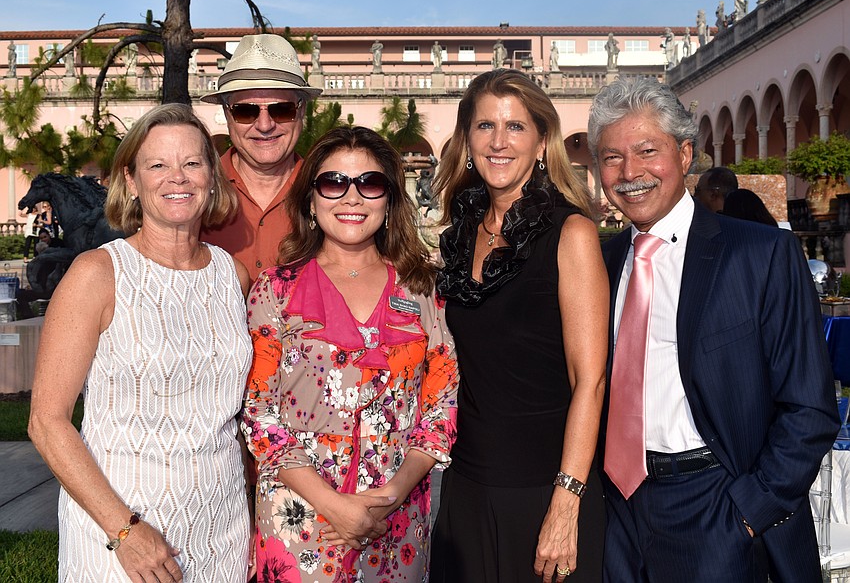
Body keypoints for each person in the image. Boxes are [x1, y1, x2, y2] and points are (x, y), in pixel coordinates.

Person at [588, 77, 838, 582]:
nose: (629, 172)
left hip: (715, 508)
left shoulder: (761, 254)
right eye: (612, 157)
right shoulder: (600, 261)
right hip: (615, 511)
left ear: (684, 155)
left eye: (646, 151)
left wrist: (748, 512)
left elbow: (809, 405)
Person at [29, 104, 255, 582]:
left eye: (192, 163)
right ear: (131, 180)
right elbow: (47, 423)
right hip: (121, 533)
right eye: (157, 165)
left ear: (212, 177)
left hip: (222, 529)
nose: (178, 177)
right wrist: (124, 531)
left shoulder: (231, 276)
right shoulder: (97, 274)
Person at [242, 126, 459, 582]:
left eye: (370, 183)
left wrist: (393, 494)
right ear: (310, 199)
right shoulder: (275, 292)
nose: (352, 197)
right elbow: (260, 416)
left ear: (390, 199)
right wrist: (333, 506)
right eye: (334, 182)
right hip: (300, 521)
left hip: (394, 523)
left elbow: (441, 408)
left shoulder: (421, 289)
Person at [430, 69, 608, 583]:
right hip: (466, 487)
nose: (499, 142)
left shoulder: (570, 233)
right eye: (485, 126)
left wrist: (566, 502)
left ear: (541, 141)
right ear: (467, 139)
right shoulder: (460, 234)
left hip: (545, 490)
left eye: (515, 127)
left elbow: (590, 382)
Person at [199, 33, 323, 282]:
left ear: (302, 111)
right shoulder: (195, 189)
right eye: (245, 111)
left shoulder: (329, 192)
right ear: (226, 113)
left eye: (281, 109)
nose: (265, 125)